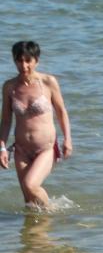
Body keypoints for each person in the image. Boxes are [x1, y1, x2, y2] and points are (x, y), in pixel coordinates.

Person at [1, 41, 73, 209]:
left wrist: (67, 139)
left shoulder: (48, 82)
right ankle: (38, 226)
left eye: (28, 60)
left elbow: (61, 112)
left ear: (36, 61)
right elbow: (5, 121)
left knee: (30, 185)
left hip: (45, 149)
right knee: (29, 202)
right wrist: (2, 148)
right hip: (21, 150)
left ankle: (52, 212)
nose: (24, 65)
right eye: (19, 60)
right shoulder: (9, 87)